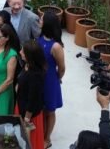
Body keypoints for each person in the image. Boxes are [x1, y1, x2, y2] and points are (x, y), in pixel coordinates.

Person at [38, 11, 66, 147]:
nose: (39, 20)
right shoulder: (40, 38)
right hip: (39, 79)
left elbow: (62, 68)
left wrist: (57, 78)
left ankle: (47, 139)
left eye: (42, 19)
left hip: (50, 81)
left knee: (50, 110)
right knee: (41, 108)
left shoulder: (56, 46)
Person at [17, 41, 46, 149]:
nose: (20, 52)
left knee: (29, 141)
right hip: (21, 105)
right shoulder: (27, 65)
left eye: (23, 52)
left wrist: (27, 119)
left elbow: (33, 98)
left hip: (29, 114)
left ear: (30, 56)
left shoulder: (36, 75)